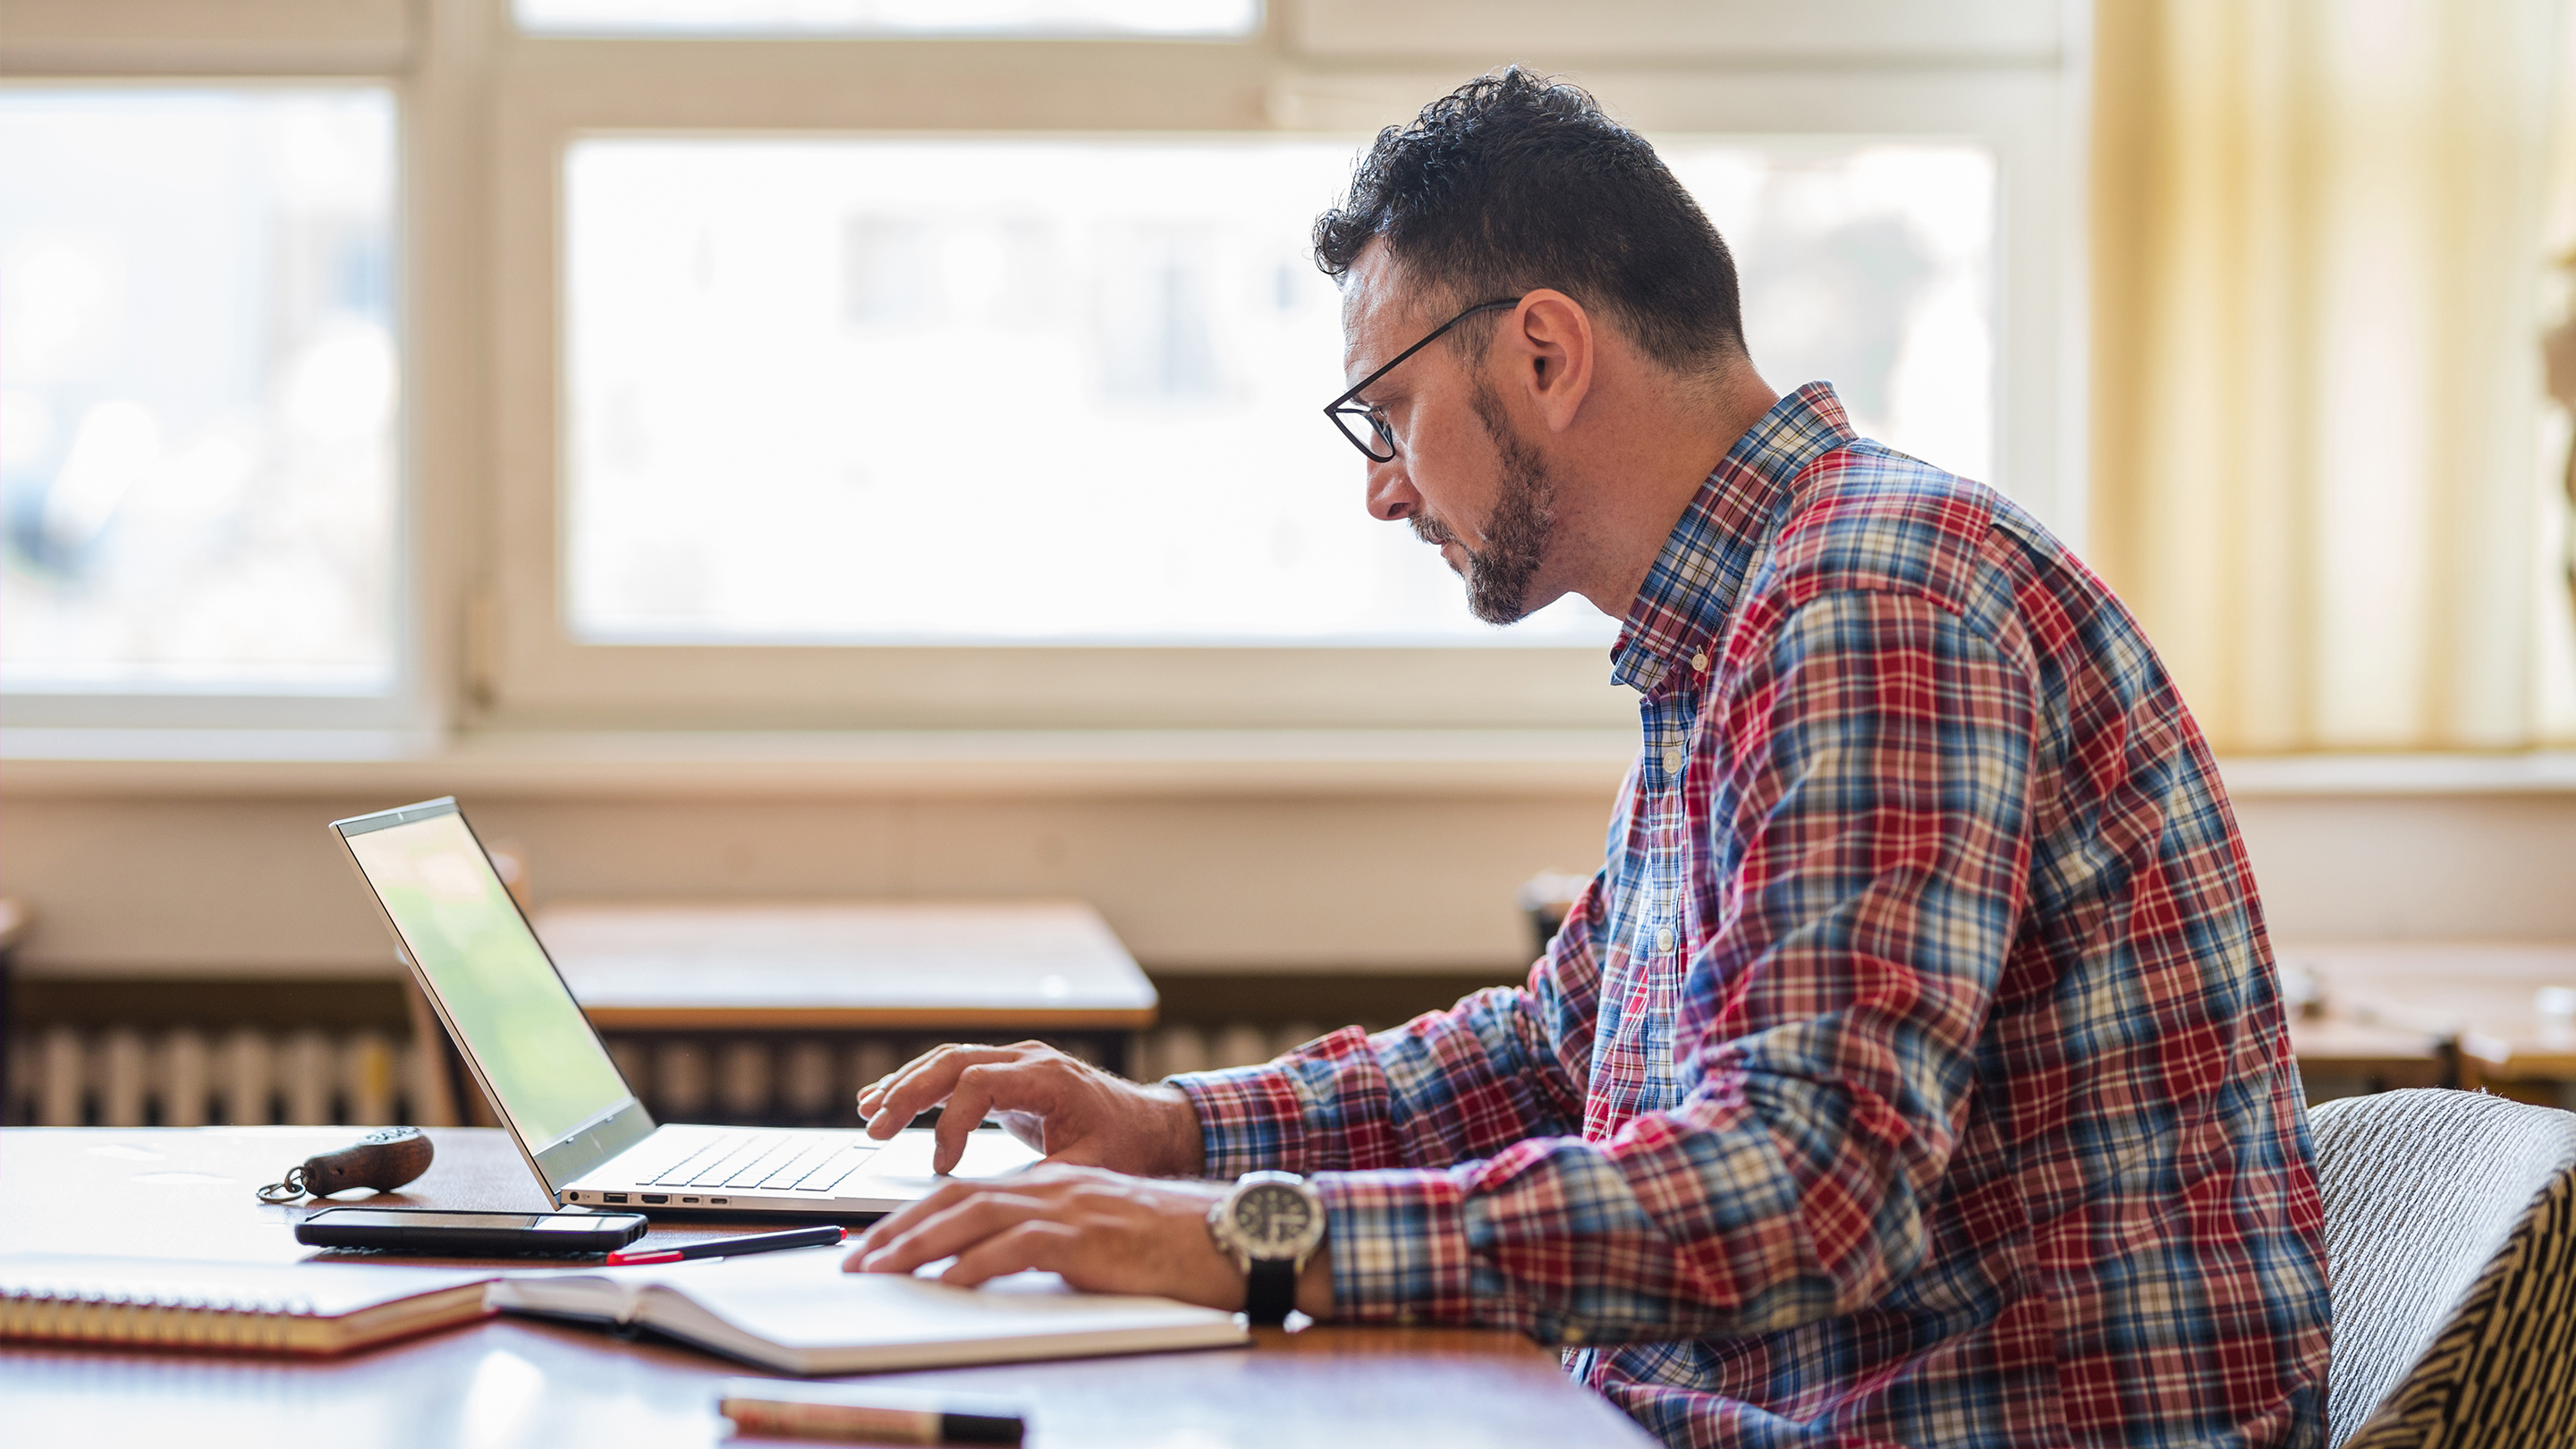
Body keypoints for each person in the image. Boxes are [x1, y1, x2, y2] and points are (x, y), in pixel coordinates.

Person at [845, 69, 2332, 1449]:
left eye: (1389, 415)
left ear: (1545, 351)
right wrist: (1172, 1135)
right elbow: (1558, 1057)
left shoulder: (1870, 606)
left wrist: (1251, 1243)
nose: (1380, 491)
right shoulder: (1750, 619)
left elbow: (1810, 1196)